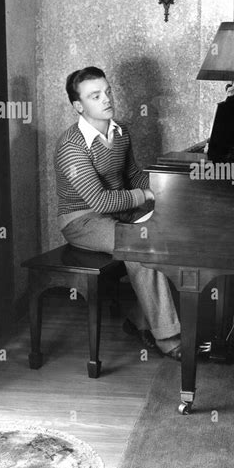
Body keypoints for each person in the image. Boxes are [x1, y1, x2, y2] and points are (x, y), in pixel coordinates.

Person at [54, 66, 181, 360]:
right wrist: (146, 196)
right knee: (138, 244)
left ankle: (140, 320)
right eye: (95, 96)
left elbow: (133, 175)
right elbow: (99, 201)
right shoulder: (71, 146)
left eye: (108, 91)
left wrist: (165, 192)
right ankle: (170, 339)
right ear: (78, 106)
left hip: (120, 213)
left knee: (163, 233)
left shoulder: (121, 131)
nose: (106, 99)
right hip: (81, 220)